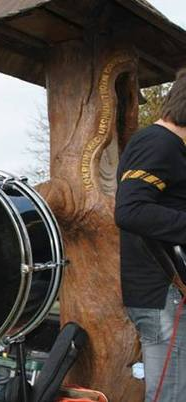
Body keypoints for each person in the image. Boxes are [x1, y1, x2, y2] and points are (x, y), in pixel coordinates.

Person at [115, 68, 186, 402]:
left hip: (168, 294)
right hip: (163, 295)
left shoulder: (170, 147)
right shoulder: (158, 143)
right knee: (169, 396)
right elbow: (130, 210)